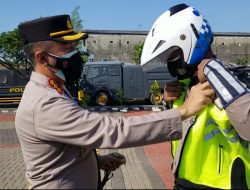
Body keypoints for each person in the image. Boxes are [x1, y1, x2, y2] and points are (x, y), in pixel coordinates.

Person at [15, 14, 214, 189]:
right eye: (66, 47)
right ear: (42, 58)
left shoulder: (54, 88)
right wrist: (184, 111)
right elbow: (113, 130)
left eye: (75, 46)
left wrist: (97, 161)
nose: (75, 53)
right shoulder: (45, 104)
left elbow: (67, 146)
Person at [140, 3, 250, 189]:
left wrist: (213, 69)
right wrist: (170, 103)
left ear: (190, 40)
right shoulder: (184, 88)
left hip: (225, 185)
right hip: (183, 181)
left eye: (173, 53)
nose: (171, 63)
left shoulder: (238, 80)